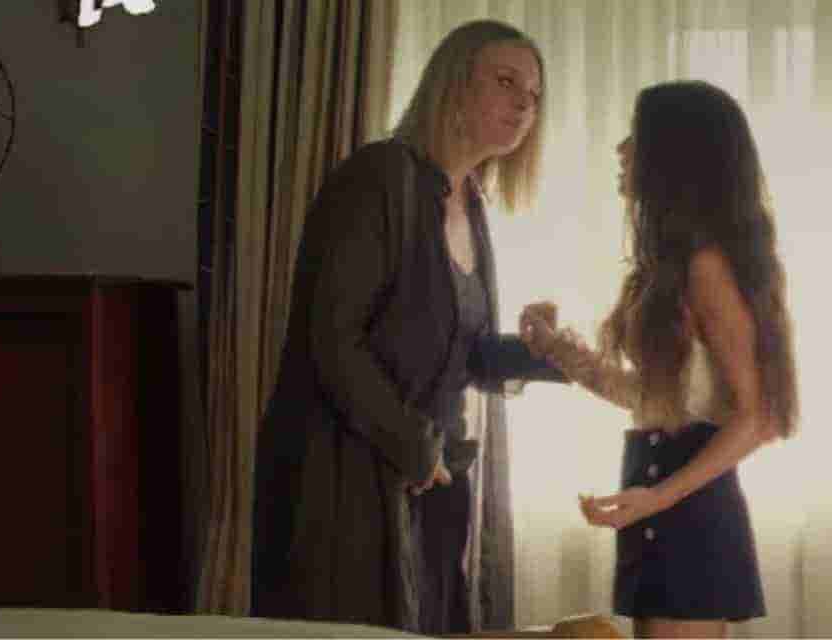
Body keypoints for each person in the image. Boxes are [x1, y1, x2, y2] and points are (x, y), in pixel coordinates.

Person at [251, 20, 563, 635]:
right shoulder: (377, 179)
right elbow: (334, 340)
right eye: (506, 82)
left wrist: (546, 356)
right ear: (452, 85)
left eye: (534, 94)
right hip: (346, 477)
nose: (525, 104)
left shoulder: (470, 202)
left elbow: (462, 355)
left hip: (431, 479)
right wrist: (415, 448)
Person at [520, 80, 800, 639]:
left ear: (674, 156)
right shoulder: (669, 269)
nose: (621, 149)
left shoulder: (707, 268)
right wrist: (555, 348)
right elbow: (655, 398)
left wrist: (657, 498)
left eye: (636, 136)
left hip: (684, 503)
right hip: (660, 494)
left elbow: (759, 417)